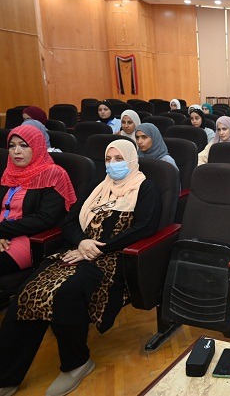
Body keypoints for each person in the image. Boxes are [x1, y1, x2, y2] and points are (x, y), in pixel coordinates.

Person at [0, 140, 161, 396]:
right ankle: (6, 375)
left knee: (65, 293)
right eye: (108, 159)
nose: (112, 164)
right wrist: (83, 242)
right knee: (27, 292)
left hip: (113, 259)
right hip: (77, 251)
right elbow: (69, 222)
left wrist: (99, 248)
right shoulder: (98, 187)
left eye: (119, 159)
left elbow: (144, 227)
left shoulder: (146, 188)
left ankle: (77, 364)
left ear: (132, 159)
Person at [0, 125, 76, 276]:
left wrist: (2, 230)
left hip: (29, 238)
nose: (16, 151)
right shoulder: (10, 172)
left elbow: (44, 219)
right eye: (12, 146)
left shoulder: (53, 174)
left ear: (37, 146)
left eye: (23, 145)